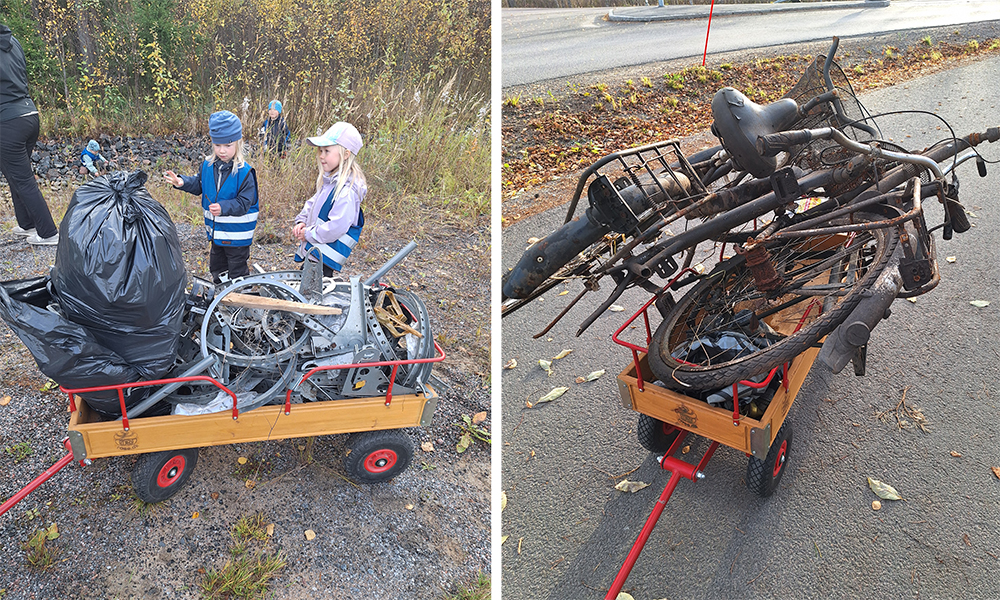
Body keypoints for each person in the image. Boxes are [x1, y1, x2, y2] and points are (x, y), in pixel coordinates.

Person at [163, 110, 259, 284]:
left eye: (228, 145)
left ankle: (240, 303)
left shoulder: (245, 172)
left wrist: (223, 208)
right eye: (217, 145)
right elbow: (199, 184)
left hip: (237, 238)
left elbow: (245, 203)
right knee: (217, 267)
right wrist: (182, 182)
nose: (222, 151)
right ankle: (220, 298)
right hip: (216, 235)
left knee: (237, 271)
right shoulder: (207, 166)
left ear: (238, 143)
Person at [0, 24, 59, 246]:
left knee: (22, 180)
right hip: (29, 114)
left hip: (7, 121)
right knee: (14, 173)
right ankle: (27, 225)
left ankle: (48, 233)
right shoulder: (13, 42)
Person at [292, 122, 367, 277]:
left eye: (327, 151)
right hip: (315, 253)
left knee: (312, 291)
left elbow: (336, 226)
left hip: (324, 257)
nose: (321, 155)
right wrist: (302, 221)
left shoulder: (347, 191)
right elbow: (312, 203)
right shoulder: (331, 181)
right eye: (321, 151)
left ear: (346, 154)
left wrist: (308, 234)